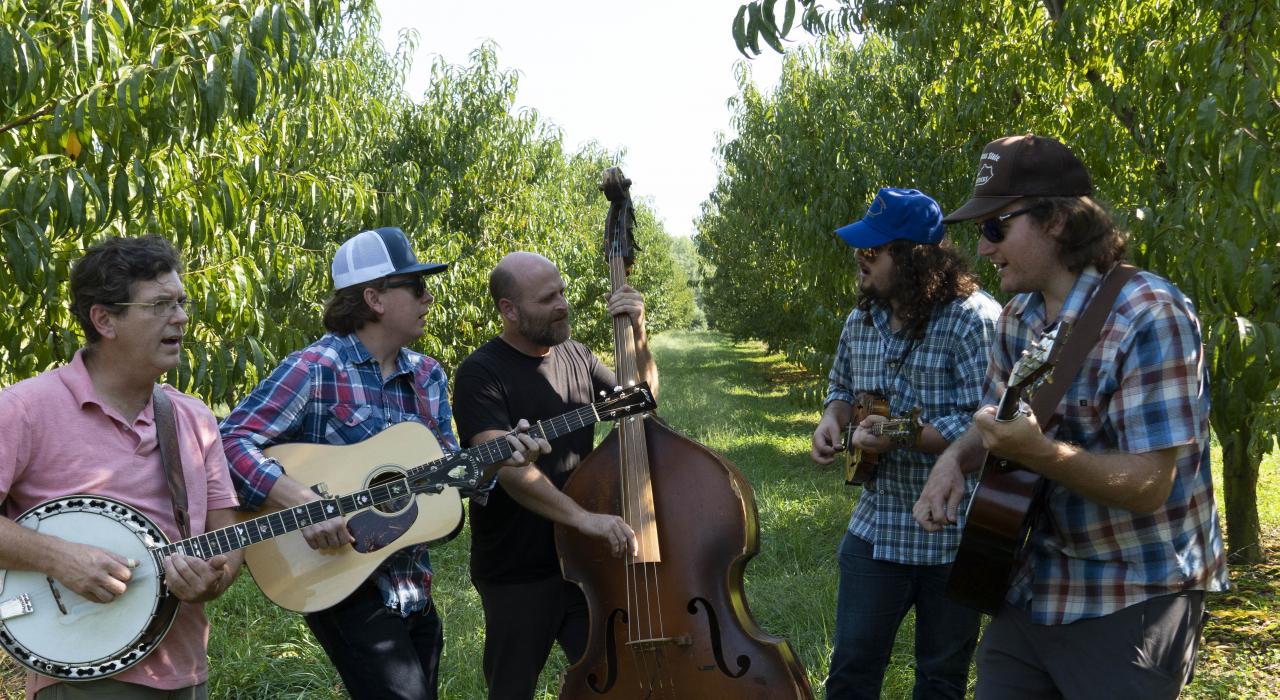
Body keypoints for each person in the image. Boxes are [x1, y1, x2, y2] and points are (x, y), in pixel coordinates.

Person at [914, 134, 1230, 698]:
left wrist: (1040, 454)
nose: (983, 249)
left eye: (995, 228)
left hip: (1131, 596)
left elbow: (1151, 484)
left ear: (1056, 220)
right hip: (1030, 584)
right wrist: (954, 461)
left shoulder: (1149, 314)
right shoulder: (1016, 318)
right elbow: (991, 421)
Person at [219, 228, 547, 700]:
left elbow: (450, 476)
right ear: (373, 298)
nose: (428, 298)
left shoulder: (428, 375)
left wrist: (500, 460)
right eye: (415, 287)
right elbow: (231, 441)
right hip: (338, 579)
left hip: (413, 581)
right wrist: (304, 502)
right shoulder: (316, 368)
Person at [0, 235, 242, 699]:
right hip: (80, 675)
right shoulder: (24, 410)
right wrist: (59, 558)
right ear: (104, 319)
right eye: (159, 305)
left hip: (187, 672)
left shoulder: (194, 419)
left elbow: (226, 539)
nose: (181, 318)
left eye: (181, 303)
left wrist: (214, 579)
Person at [810, 188, 1001, 699]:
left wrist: (895, 434)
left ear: (914, 257)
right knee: (851, 670)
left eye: (873, 251)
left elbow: (986, 421)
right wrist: (831, 420)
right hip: (879, 526)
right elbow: (842, 389)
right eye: (859, 249)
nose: (860, 258)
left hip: (953, 534)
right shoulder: (861, 320)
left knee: (941, 679)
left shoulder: (973, 320)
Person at [452, 251, 652, 700]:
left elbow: (643, 400)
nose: (563, 304)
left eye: (562, 292)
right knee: (512, 689)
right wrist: (581, 517)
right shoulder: (480, 373)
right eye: (548, 299)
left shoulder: (577, 355)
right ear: (510, 310)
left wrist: (638, 331)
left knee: (616, 681)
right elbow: (505, 467)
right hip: (518, 568)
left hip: (587, 559)